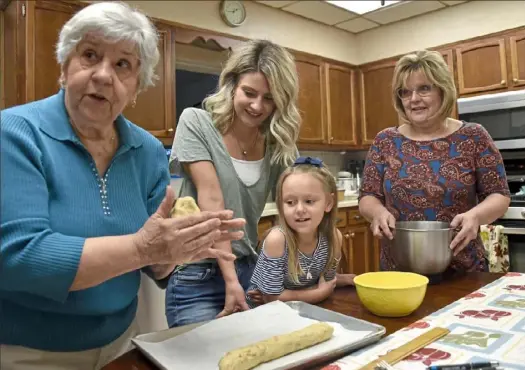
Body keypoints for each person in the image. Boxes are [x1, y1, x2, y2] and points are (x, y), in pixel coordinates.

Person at [0, 2, 245, 369]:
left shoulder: (146, 150)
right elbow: (21, 258)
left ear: (135, 87)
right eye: (90, 55)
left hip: (124, 342)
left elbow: (154, 265)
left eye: (122, 65)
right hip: (31, 352)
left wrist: (176, 252)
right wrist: (143, 249)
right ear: (65, 67)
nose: (103, 75)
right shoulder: (15, 134)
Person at [166, 39, 302, 327]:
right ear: (231, 86)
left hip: (249, 270)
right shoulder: (197, 122)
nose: (257, 106)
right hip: (197, 275)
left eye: (269, 98)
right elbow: (212, 200)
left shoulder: (276, 143)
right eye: (249, 93)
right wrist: (231, 281)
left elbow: (295, 202)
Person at [359, 50, 510, 275]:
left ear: (443, 90)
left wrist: (475, 216)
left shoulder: (474, 137)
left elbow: (499, 194)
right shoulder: (385, 141)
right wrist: (378, 213)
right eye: (405, 92)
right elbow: (368, 196)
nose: (414, 99)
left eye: (424, 88)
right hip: (399, 269)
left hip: (463, 269)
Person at [245, 157, 355, 308]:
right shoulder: (277, 240)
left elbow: (326, 281)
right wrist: (318, 293)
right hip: (268, 315)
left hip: (305, 309)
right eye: (290, 202)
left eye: (309, 201)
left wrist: (342, 280)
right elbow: (272, 299)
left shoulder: (334, 238)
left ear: (328, 203)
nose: (299, 210)